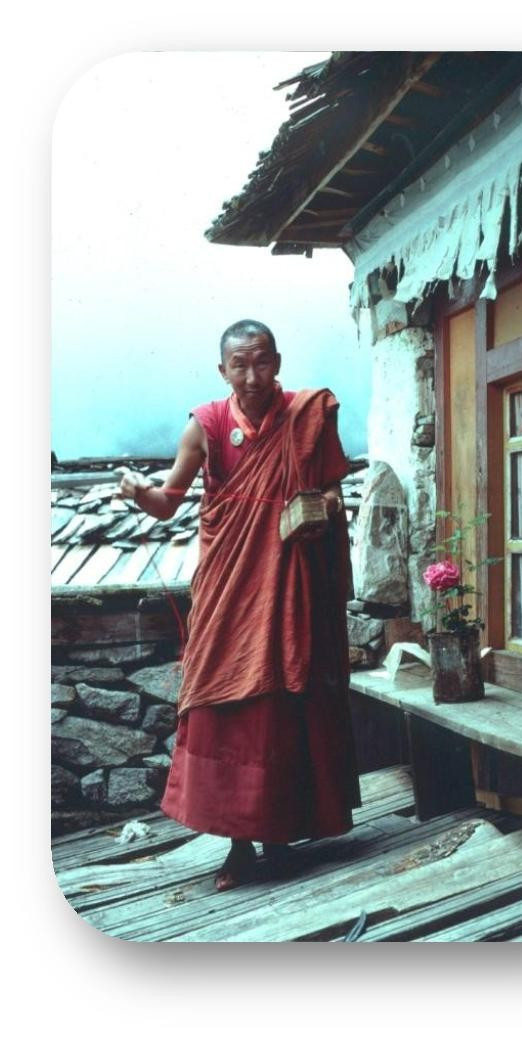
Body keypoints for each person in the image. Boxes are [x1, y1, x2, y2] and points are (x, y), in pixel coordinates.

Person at [119, 319, 361, 891]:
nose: (252, 377)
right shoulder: (204, 426)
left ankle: (280, 839)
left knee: (283, 702)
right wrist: (136, 490)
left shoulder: (309, 415)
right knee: (221, 705)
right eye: (239, 366)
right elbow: (166, 502)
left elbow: (333, 490)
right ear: (222, 369)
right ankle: (238, 847)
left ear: (277, 361)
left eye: (262, 363)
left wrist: (320, 507)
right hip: (230, 590)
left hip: (292, 582)